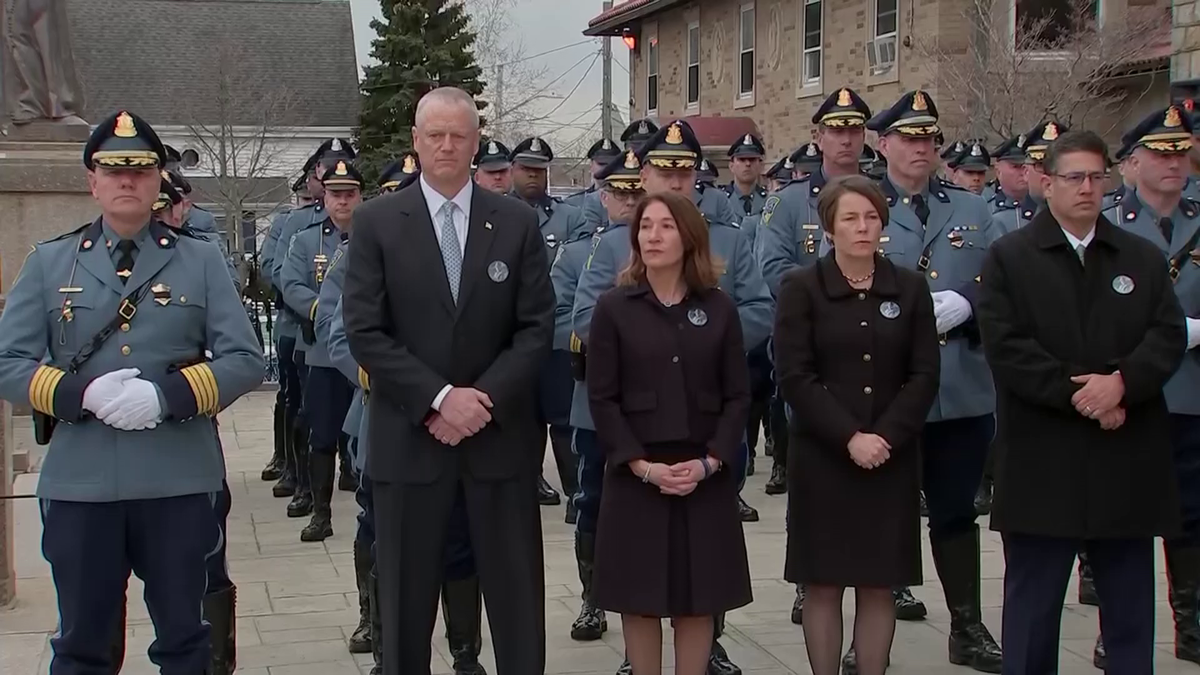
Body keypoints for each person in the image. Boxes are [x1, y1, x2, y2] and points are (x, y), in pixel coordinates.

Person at [0, 109, 265, 674]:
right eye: (113, 170)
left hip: (177, 479)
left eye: (140, 170)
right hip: (82, 485)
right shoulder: (50, 262)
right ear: (92, 180)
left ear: (156, 180)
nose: (127, 181)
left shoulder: (200, 259)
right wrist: (79, 395)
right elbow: (8, 362)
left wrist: (167, 397)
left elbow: (245, 359)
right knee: (82, 649)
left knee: (186, 645)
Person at [342, 86, 554, 675]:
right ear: (416, 140)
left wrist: (479, 402)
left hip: (498, 442)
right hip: (410, 443)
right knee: (405, 610)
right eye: (434, 135)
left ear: (476, 142)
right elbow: (365, 331)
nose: (446, 146)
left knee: (516, 607)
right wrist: (438, 399)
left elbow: (536, 327)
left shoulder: (515, 222)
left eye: (458, 136)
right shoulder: (377, 222)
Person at [976, 128, 1187, 675]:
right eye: (1074, 177)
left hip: (1125, 454)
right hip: (1044, 456)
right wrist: (1086, 395)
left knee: (1129, 607)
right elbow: (1007, 347)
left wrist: (1123, 383)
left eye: (1097, 176)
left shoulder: (1140, 257)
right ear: (1046, 183)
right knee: (1033, 608)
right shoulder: (1010, 258)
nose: (1088, 188)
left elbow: (1166, 335)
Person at [776, 175, 940, 675]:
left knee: (877, 582)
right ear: (829, 227)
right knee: (823, 583)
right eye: (850, 218)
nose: (863, 227)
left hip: (889, 458)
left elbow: (924, 374)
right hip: (823, 457)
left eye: (871, 217)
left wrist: (885, 436)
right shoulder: (802, 288)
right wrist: (849, 437)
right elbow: (795, 376)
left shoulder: (908, 288)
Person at [864, 90, 1003, 672]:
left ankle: (967, 627)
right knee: (882, 515)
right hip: (890, 389)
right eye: (908, 138)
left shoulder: (972, 208)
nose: (920, 148)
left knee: (955, 511)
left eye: (928, 138)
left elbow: (1003, 277)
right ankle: (871, 641)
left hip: (961, 385)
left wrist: (968, 301)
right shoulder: (861, 204)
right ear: (884, 144)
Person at [588, 190, 753, 675]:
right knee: (639, 600)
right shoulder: (614, 308)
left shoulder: (718, 308)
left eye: (665, 226)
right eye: (645, 227)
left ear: (689, 238)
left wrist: (711, 461)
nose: (653, 236)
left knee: (698, 600)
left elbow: (738, 395)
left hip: (703, 473)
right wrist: (642, 466)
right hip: (636, 474)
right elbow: (602, 398)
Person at [1091, 105, 1200, 669]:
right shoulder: (1108, 223)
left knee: (1193, 515)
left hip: (1193, 391)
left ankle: (1191, 621)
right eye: (1160, 153)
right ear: (1131, 163)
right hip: (1129, 391)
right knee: (1121, 517)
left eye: (1180, 152)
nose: (1173, 163)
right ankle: (1116, 629)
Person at [565, 149, 646, 655]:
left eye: (638, 191)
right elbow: (563, 317)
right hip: (599, 401)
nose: (630, 201)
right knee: (595, 501)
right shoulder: (587, 251)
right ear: (603, 196)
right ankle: (593, 599)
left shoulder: (688, 242)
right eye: (620, 192)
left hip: (669, 407)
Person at [282, 159, 363, 542]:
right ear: (324, 197)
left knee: (365, 432)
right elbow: (290, 283)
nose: (342, 202)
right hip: (323, 352)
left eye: (350, 194)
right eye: (335, 194)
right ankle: (320, 512)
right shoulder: (306, 239)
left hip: (365, 354)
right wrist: (323, 311)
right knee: (321, 434)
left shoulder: (375, 234)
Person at [994, 121, 1063, 234]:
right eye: (1040, 165)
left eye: (1060, 166)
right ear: (1026, 172)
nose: (1049, 174)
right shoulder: (1011, 228)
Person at [724, 134, 769, 221]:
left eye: (752, 159)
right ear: (731, 166)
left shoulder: (769, 200)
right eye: (742, 159)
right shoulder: (720, 200)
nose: (748, 164)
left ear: (761, 166)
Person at [988, 135, 1028, 214]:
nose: (1024, 172)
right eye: (1016, 166)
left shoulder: (1047, 206)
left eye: (1026, 166)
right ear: (998, 171)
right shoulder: (986, 209)